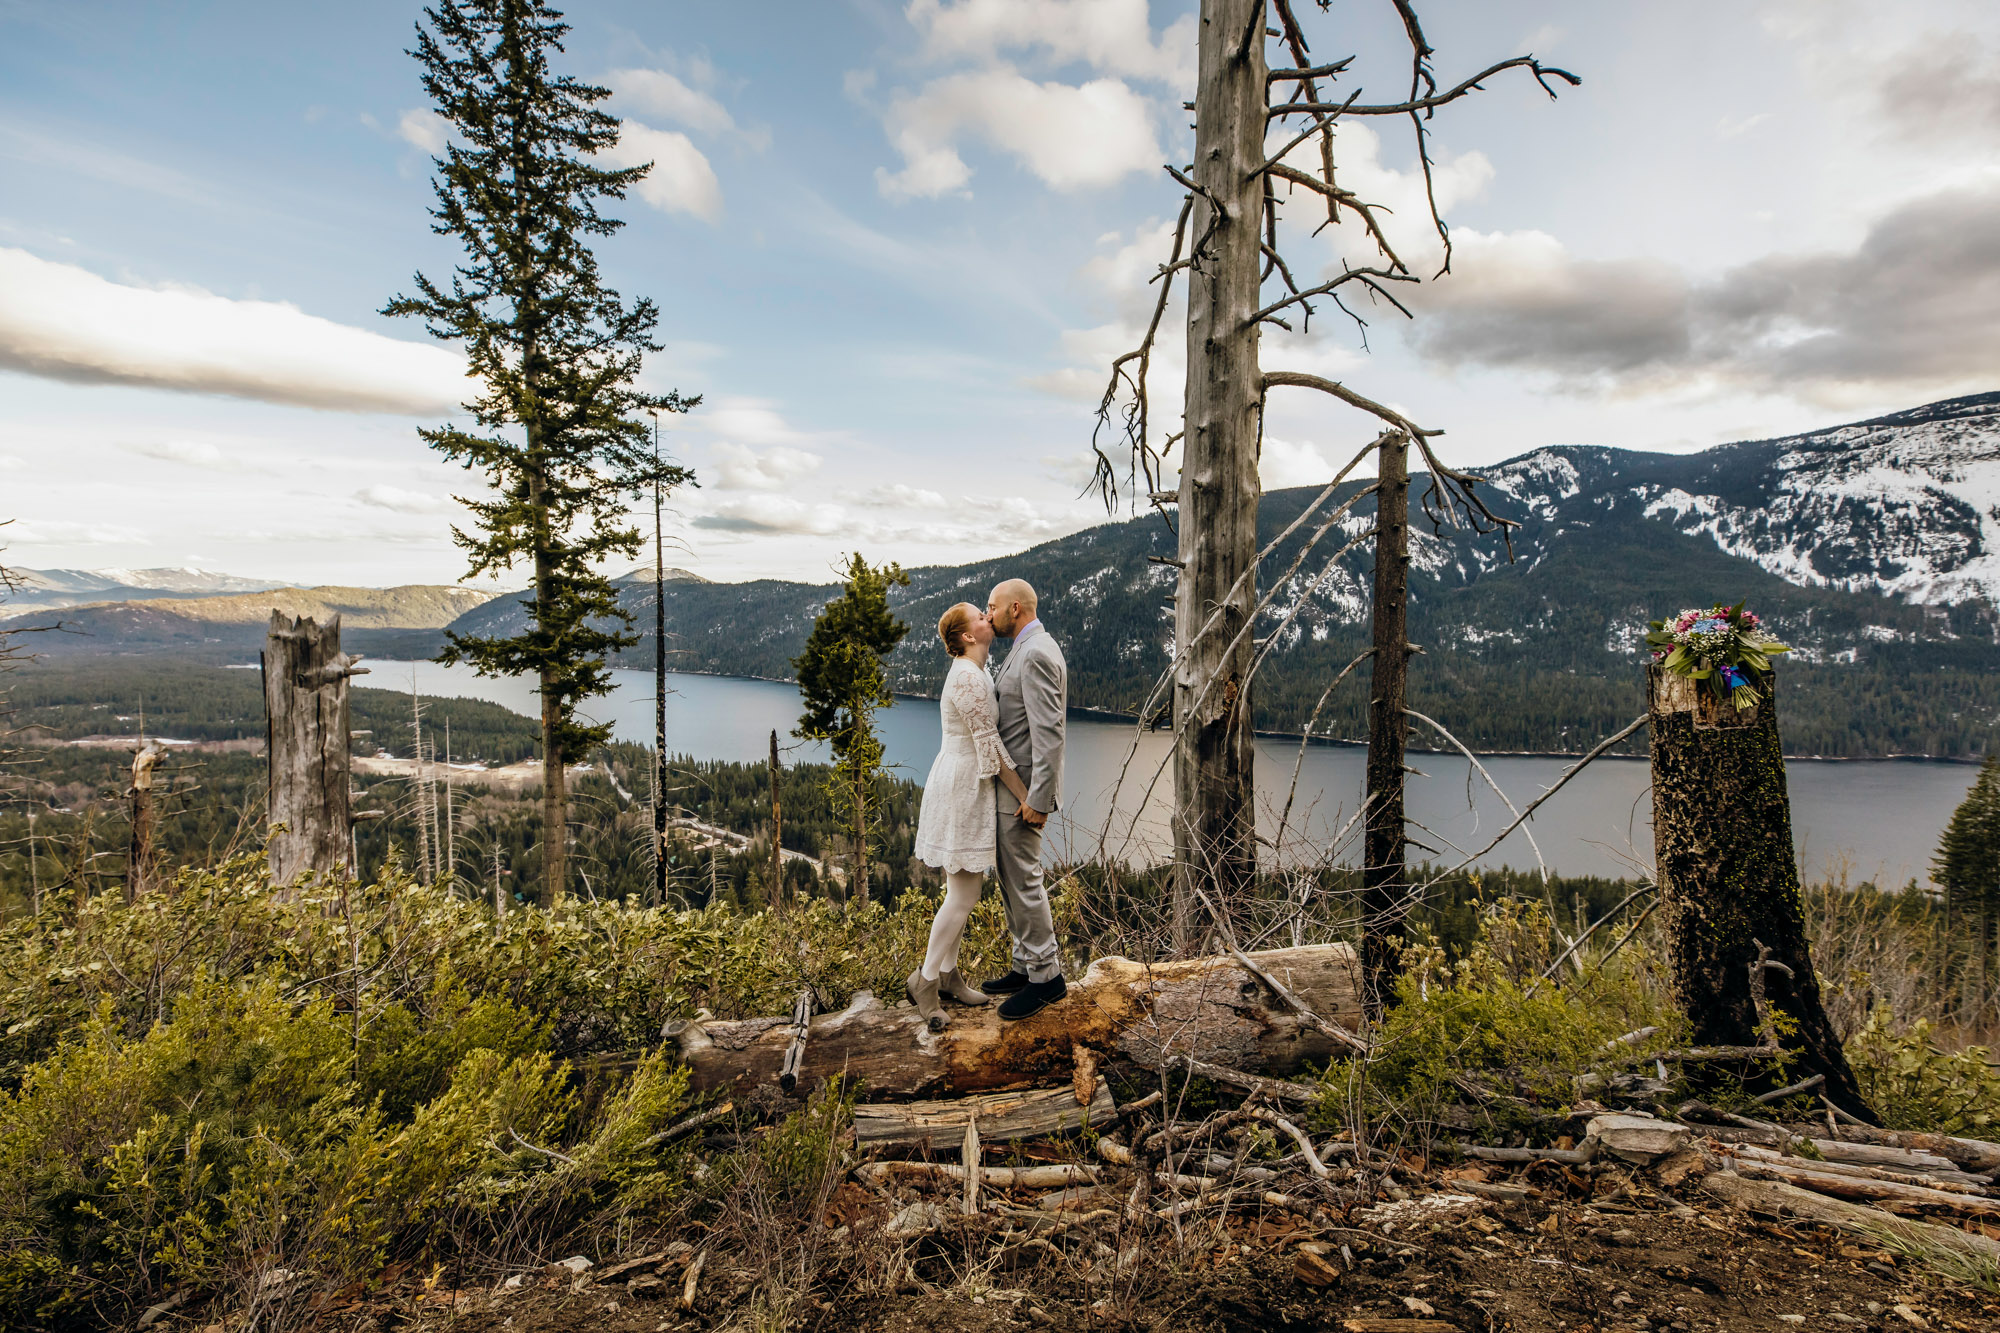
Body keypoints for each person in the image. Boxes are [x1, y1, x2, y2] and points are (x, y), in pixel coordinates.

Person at [908, 602, 1033, 1029]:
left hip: (965, 783)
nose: (988, 618)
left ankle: (948, 975)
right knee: (963, 896)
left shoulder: (975, 671)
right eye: (980, 616)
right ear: (966, 635)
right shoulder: (965, 675)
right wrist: (1026, 796)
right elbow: (989, 745)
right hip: (962, 785)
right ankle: (925, 980)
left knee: (960, 893)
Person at [980, 577, 1068, 1020]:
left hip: (1023, 795)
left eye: (991, 606)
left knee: (1025, 880)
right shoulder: (1027, 646)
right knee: (1010, 879)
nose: (987, 613)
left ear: (1015, 608)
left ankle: (1047, 979)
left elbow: (1049, 733)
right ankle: (1024, 965)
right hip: (1010, 792)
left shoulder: (1035, 652)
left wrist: (1039, 797)